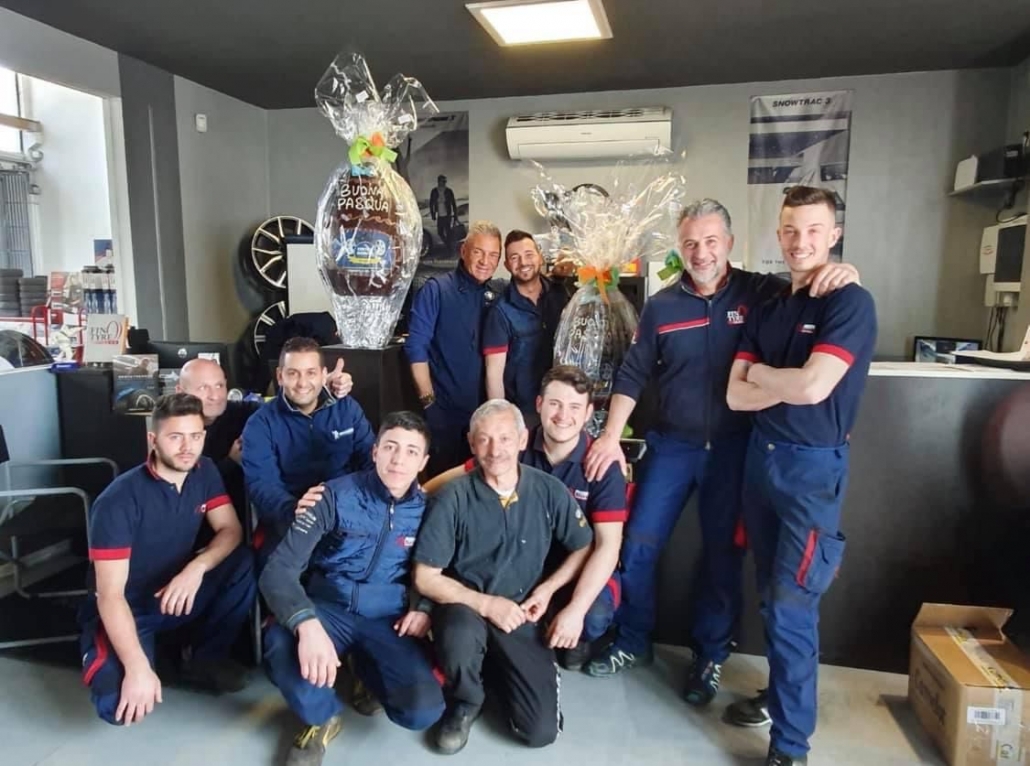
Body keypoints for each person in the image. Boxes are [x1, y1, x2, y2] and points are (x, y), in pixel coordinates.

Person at [582, 199, 861, 704]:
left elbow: (814, 288)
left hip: (737, 451)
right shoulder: (662, 306)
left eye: (711, 241)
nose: (701, 252)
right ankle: (633, 640)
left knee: (721, 557)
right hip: (671, 447)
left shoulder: (763, 293)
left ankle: (709, 657)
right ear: (679, 248)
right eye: (690, 243)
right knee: (638, 544)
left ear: (729, 243)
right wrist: (608, 436)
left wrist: (848, 272)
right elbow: (633, 373)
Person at [726, 186, 876, 766]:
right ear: (778, 234)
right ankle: (780, 698)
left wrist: (764, 375)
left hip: (811, 472)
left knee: (793, 606)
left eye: (814, 230)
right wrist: (778, 382)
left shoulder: (850, 302)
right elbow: (735, 396)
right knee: (770, 595)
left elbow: (815, 387)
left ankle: (790, 746)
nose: (800, 241)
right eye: (791, 230)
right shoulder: (769, 303)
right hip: (760, 460)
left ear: (834, 235)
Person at [259, 411, 445, 766]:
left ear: (423, 462)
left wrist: (424, 608)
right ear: (375, 451)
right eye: (390, 447)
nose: (398, 459)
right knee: (281, 648)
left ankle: (363, 670)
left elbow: (441, 570)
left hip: (387, 616)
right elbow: (278, 571)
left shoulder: (429, 510)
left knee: (422, 710)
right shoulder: (333, 496)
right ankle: (322, 717)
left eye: (411, 451)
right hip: (327, 608)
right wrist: (306, 625)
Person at [413, 400, 593, 754]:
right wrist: (486, 604)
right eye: (484, 439)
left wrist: (548, 589)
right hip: (465, 605)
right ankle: (467, 699)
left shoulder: (549, 490)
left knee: (540, 732)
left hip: (520, 612)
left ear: (523, 440)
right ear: (471, 442)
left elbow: (583, 546)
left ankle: (495, 674)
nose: (495, 450)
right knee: (458, 634)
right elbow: (425, 577)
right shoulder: (452, 497)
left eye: (505, 438)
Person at [425, 365, 627, 672]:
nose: (563, 415)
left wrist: (575, 610)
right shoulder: (514, 442)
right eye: (555, 404)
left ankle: (569, 631)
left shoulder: (601, 463)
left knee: (591, 618)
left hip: (578, 561)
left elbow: (608, 547)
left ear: (588, 414)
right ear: (539, 405)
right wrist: (410, 493)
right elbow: (459, 476)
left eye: (574, 407)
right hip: (524, 561)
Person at [79, 393, 256, 726]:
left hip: (176, 592)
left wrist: (196, 568)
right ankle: (143, 654)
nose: (187, 447)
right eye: (175, 437)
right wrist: (136, 668)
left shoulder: (204, 471)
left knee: (243, 562)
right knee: (117, 706)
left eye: (195, 436)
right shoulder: (118, 501)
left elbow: (230, 530)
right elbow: (110, 596)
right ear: (153, 440)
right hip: (128, 607)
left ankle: (204, 658)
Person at [242, 337, 374, 558]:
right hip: (290, 520)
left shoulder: (347, 409)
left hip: (347, 514)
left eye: (311, 373)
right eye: (293, 373)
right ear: (280, 376)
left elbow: (370, 460)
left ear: (323, 375)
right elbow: (262, 485)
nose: (302, 383)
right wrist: (298, 512)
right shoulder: (260, 424)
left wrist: (359, 505)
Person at [177, 356, 354, 521]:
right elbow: (183, 490)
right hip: (193, 523)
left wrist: (318, 390)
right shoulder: (171, 429)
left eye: (219, 386)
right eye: (203, 388)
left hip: (241, 519)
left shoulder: (242, 412)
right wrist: (230, 463)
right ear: (180, 391)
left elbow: (282, 407)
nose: (214, 396)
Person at [404, 221, 505, 475]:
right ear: (463, 251)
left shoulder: (499, 293)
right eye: (478, 252)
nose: (485, 261)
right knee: (445, 487)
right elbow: (416, 348)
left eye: (493, 255)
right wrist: (430, 404)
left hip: (488, 417)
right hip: (446, 417)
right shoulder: (436, 290)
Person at [482, 231, 570, 423]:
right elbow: (494, 374)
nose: (523, 263)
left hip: (563, 408)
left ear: (540, 257)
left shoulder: (560, 294)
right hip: (524, 414)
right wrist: (501, 421)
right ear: (507, 265)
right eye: (515, 257)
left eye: (529, 254)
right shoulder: (500, 311)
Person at [430, 174, 459, 247]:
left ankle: (450, 248)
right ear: (438, 181)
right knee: (440, 232)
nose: (443, 183)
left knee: (448, 232)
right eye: (442, 181)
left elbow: (453, 203)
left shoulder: (448, 191)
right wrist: (433, 214)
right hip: (439, 215)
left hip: (447, 215)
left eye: (444, 181)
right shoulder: (434, 191)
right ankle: (448, 245)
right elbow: (431, 203)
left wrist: (455, 215)